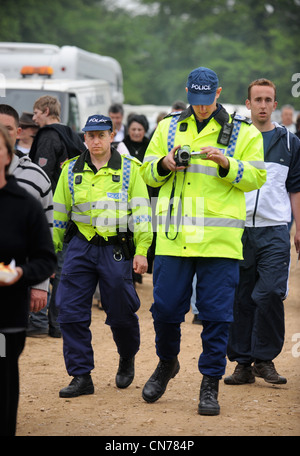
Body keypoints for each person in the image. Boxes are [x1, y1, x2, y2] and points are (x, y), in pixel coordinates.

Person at [140, 66, 266, 416]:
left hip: (218, 241)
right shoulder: (167, 128)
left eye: (207, 101)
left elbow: (257, 175)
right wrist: (164, 165)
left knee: (216, 316)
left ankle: (210, 383)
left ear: (219, 92)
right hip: (174, 238)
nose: (201, 108)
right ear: (187, 93)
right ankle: (167, 363)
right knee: (164, 310)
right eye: (195, 101)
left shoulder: (243, 132)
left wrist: (227, 164)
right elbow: (145, 171)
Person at [53, 114, 152, 398]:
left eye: (101, 135)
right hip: (80, 247)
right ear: (84, 138)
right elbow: (59, 215)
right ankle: (81, 375)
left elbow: (142, 214)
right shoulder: (71, 170)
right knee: (70, 312)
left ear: (112, 136)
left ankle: (127, 355)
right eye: (90, 135)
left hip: (115, 248)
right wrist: (51, 253)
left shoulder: (131, 170)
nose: (96, 140)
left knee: (121, 312)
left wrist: (143, 251)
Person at [225, 79, 300, 386]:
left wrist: (299, 229)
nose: (263, 105)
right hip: (238, 229)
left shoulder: (291, 142)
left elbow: (295, 188)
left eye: (269, 100)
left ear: (275, 104)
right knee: (241, 297)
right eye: (258, 99)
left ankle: (265, 358)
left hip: (275, 230)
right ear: (248, 104)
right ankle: (243, 363)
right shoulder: (234, 139)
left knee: (268, 293)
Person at [0, 124, 56, 436]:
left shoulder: (25, 204)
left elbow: (46, 258)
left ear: (8, 156)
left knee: (3, 377)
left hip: (6, 315)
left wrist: (22, 274)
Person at [0, 104, 56, 337]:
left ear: (18, 132)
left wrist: (39, 286)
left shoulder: (36, 177)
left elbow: (46, 238)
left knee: (6, 362)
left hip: (12, 294)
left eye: (7, 128)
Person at [29, 95, 85, 191]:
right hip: (75, 191)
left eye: (36, 113)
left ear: (46, 111)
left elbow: (42, 173)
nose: (33, 118)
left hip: (54, 196)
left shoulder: (48, 135)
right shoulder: (70, 133)